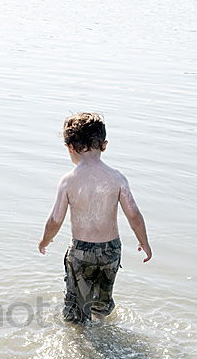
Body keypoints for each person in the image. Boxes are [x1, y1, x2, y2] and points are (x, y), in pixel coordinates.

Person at [38, 113, 151, 323]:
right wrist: (144, 242)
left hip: (82, 251)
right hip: (110, 250)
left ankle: (81, 337)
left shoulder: (69, 181)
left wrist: (45, 240)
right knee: (102, 303)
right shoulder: (117, 178)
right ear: (104, 145)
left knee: (76, 311)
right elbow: (134, 214)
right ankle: (101, 326)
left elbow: (55, 219)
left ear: (69, 147)